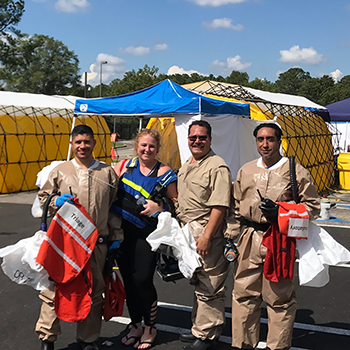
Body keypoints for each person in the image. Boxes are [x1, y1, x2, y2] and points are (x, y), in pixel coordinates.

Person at [231, 122, 320, 350]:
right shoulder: (246, 170)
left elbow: (312, 207)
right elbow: (234, 204)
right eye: (260, 139)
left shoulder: (295, 171)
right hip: (249, 238)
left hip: (278, 241)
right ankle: (242, 344)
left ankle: (277, 347)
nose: (265, 144)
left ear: (279, 141)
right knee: (243, 294)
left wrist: (281, 213)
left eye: (270, 139)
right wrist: (232, 237)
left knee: (279, 299)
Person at [35, 124, 123, 350]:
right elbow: (42, 200)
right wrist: (55, 201)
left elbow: (115, 207)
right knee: (53, 290)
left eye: (87, 142)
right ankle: (47, 337)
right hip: (65, 246)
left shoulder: (107, 173)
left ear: (94, 143)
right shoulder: (60, 171)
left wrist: (116, 235)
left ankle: (88, 339)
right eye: (78, 142)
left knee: (94, 291)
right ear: (72, 144)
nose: (83, 146)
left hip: (97, 245)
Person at [111, 128, 177, 350]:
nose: (147, 149)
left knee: (142, 280)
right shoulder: (124, 167)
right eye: (143, 145)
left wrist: (159, 206)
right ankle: (136, 324)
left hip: (147, 235)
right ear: (136, 146)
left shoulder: (164, 172)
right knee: (128, 279)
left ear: (157, 149)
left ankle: (151, 327)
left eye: (151, 146)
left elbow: (177, 204)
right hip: (123, 232)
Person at [176, 120, 232, 350]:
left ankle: (208, 336)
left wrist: (207, 236)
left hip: (207, 232)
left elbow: (219, 206)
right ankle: (199, 327)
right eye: (193, 138)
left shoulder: (217, 166)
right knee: (198, 281)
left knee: (211, 284)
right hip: (188, 231)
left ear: (210, 139)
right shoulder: (188, 164)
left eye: (202, 137)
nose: (197, 141)